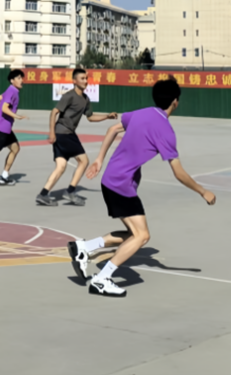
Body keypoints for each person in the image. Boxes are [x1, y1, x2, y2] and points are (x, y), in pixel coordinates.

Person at [69, 78, 216, 297]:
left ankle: (85, 248)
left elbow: (112, 128)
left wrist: (99, 159)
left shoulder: (143, 113)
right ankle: (101, 279)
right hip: (121, 184)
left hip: (112, 180)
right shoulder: (166, 131)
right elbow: (178, 172)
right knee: (142, 236)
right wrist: (203, 191)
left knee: (133, 233)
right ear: (175, 102)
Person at [35, 69, 117, 206]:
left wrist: (107, 116)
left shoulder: (85, 99)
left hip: (64, 134)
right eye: (82, 78)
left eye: (86, 78)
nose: (86, 81)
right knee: (84, 161)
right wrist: (52, 132)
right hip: (64, 133)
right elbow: (54, 112)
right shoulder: (69, 96)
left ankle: (43, 194)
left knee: (61, 166)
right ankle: (70, 191)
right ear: (74, 81)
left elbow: (90, 117)